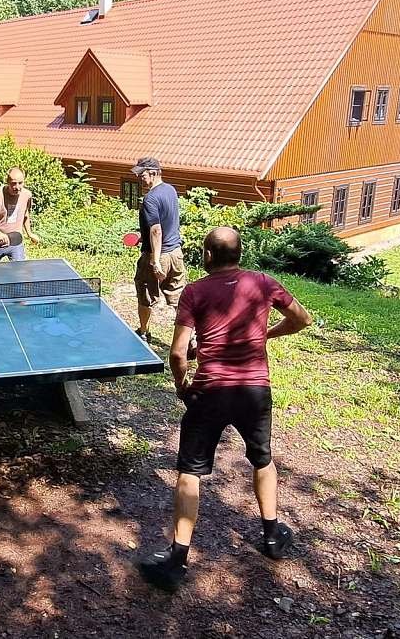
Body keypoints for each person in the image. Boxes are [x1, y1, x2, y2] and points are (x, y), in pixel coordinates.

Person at [138, 227, 312, 592]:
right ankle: (271, 535)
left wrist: (181, 385)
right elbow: (301, 319)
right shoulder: (263, 283)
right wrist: (266, 334)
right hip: (254, 391)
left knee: (190, 472)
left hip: (210, 392)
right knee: (263, 460)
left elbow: (177, 353)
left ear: (207, 255)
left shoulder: (195, 291)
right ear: (240, 254)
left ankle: (176, 560)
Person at [132, 157, 186, 344]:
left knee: (145, 292)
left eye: (142, 174)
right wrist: (143, 237)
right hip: (176, 254)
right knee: (177, 298)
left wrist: (155, 261)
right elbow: (167, 221)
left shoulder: (150, 199)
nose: (139, 178)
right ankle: (191, 339)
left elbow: (156, 230)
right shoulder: (170, 190)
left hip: (157, 256)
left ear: (153, 172)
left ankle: (143, 332)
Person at [0, 167, 39, 262]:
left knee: (19, 269)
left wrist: (30, 233)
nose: (17, 187)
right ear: (7, 182)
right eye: (13, 183)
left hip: (15, 242)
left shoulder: (27, 195)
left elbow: (25, 214)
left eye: (20, 183)